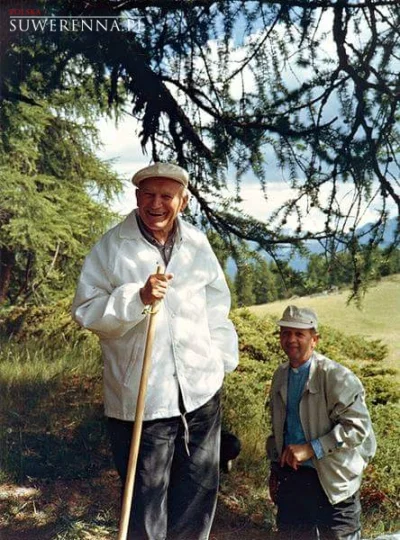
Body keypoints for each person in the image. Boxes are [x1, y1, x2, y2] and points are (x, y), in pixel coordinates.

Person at [71, 162, 239, 540]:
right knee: (145, 505)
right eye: (149, 194)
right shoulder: (113, 246)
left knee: (197, 497)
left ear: (183, 201)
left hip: (200, 393)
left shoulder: (196, 242)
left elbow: (217, 304)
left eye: (167, 196)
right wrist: (137, 298)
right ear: (136, 197)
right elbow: (86, 310)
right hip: (142, 401)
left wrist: (221, 360)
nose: (157, 204)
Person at [266, 305, 376, 540]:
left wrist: (311, 448)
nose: (291, 339)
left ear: (314, 339)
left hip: (334, 482)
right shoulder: (280, 375)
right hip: (293, 479)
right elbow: (278, 430)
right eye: (285, 333)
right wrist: (275, 469)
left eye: (299, 334)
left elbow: (358, 428)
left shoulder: (337, 377)